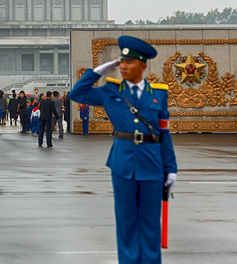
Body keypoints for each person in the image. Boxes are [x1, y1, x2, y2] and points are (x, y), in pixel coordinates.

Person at [69, 35, 177, 264]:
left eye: (129, 62)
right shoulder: (111, 91)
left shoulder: (158, 94)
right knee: (126, 222)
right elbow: (76, 94)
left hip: (152, 164)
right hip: (123, 164)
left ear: (143, 65)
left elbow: (164, 135)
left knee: (149, 223)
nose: (124, 66)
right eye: (122, 62)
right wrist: (97, 71)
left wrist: (171, 168)